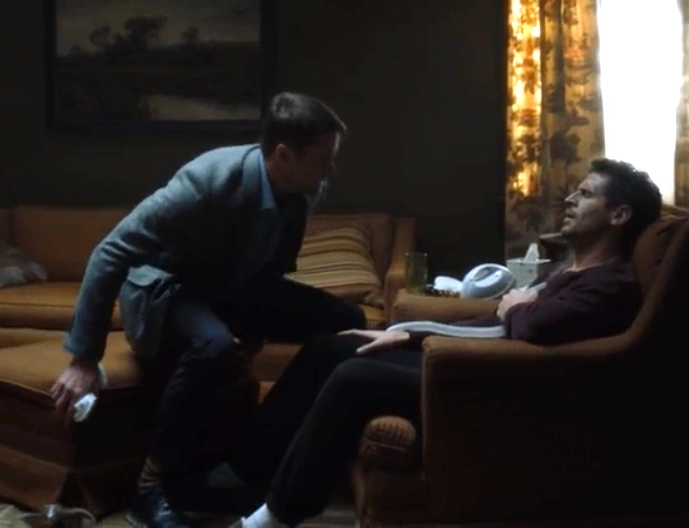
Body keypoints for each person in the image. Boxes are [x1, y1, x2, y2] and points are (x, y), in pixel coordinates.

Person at [216, 158, 664, 528]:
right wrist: (404, 332)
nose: (569, 200)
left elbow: (532, 328)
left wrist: (515, 305)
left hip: (489, 380)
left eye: (585, 194)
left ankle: (277, 515)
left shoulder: (611, 283)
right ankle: (247, 469)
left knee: (355, 375)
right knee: (329, 347)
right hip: (476, 358)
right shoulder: (568, 273)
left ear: (619, 215)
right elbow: (495, 319)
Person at [50, 92, 366, 528]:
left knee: (349, 323)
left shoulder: (305, 187)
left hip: (231, 286)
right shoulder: (206, 182)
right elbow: (110, 253)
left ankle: (256, 459)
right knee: (213, 345)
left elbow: (271, 267)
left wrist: (256, 326)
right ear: (283, 155)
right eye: (322, 158)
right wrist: (84, 358)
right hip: (165, 287)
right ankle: (151, 487)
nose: (331, 169)